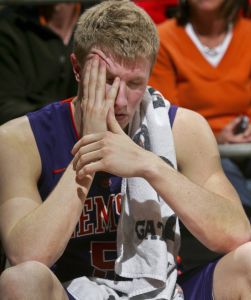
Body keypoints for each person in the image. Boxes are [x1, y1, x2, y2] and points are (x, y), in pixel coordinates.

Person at [0, 0, 250, 299]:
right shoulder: (20, 138)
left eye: (135, 83)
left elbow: (237, 233)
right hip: (72, 290)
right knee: (20, 280)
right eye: (106, 81)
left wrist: (150, 165)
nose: (119, 100)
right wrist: (89, 153)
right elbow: (25, 254)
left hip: (166, 289)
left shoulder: (183, 127)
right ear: (78, 69)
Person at [149, 0, 251, 214]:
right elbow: (165, 115)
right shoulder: (164, 38)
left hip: (247, 145)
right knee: (224, 180)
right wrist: (216, 138)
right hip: (194, 150)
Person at [0, 3, 81, 125]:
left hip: (91, 133)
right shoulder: (9, 24)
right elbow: (6, 107)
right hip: (30, 136)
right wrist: (66, 119)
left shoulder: (103, 22)